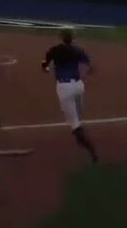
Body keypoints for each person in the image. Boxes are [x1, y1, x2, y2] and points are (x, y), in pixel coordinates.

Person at [42, 29, 99, 163]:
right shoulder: (78, 50)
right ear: (72, 38)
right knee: (77, 115)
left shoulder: (54, 50)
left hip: (64, 88)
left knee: (74, 123)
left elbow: (44, 65)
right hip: (79, 86)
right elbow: (89, 66)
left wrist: (46, 67)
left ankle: (91, 150)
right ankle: (79, 133)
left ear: (61, 37)